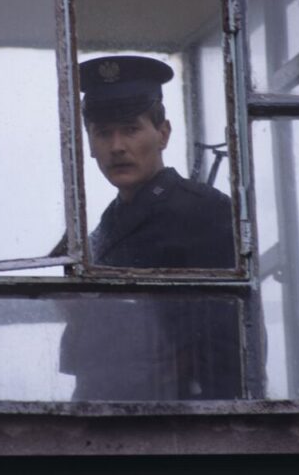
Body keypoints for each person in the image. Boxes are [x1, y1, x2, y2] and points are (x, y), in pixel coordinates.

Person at [57, 55, 241, 400]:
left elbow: (230, 337)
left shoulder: (203, 212)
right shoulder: (104, 228)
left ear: (163, 133)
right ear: (91, 145)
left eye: (130, 129)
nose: (117, 147)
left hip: (178, 423)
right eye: (103, 133)